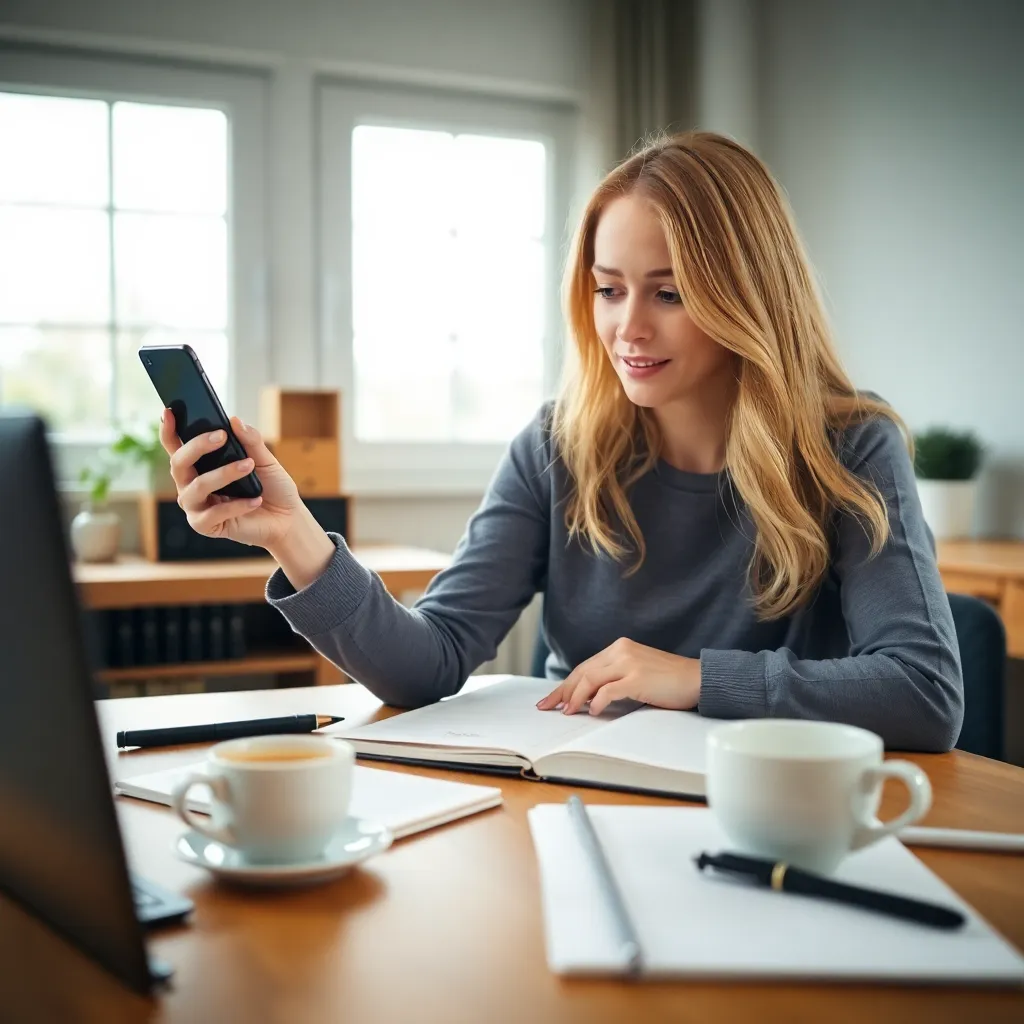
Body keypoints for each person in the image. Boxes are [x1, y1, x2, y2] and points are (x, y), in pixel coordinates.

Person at [160, 131, 963, 751]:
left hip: (767, 815)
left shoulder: (848, 446)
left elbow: (923, 693)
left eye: (671, 293)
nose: (628, 328)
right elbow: (427, 662)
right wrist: (291, 534)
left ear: (745, 294)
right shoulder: (557, 446)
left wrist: (689, 678)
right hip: (580, 797)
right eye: (609, 290)